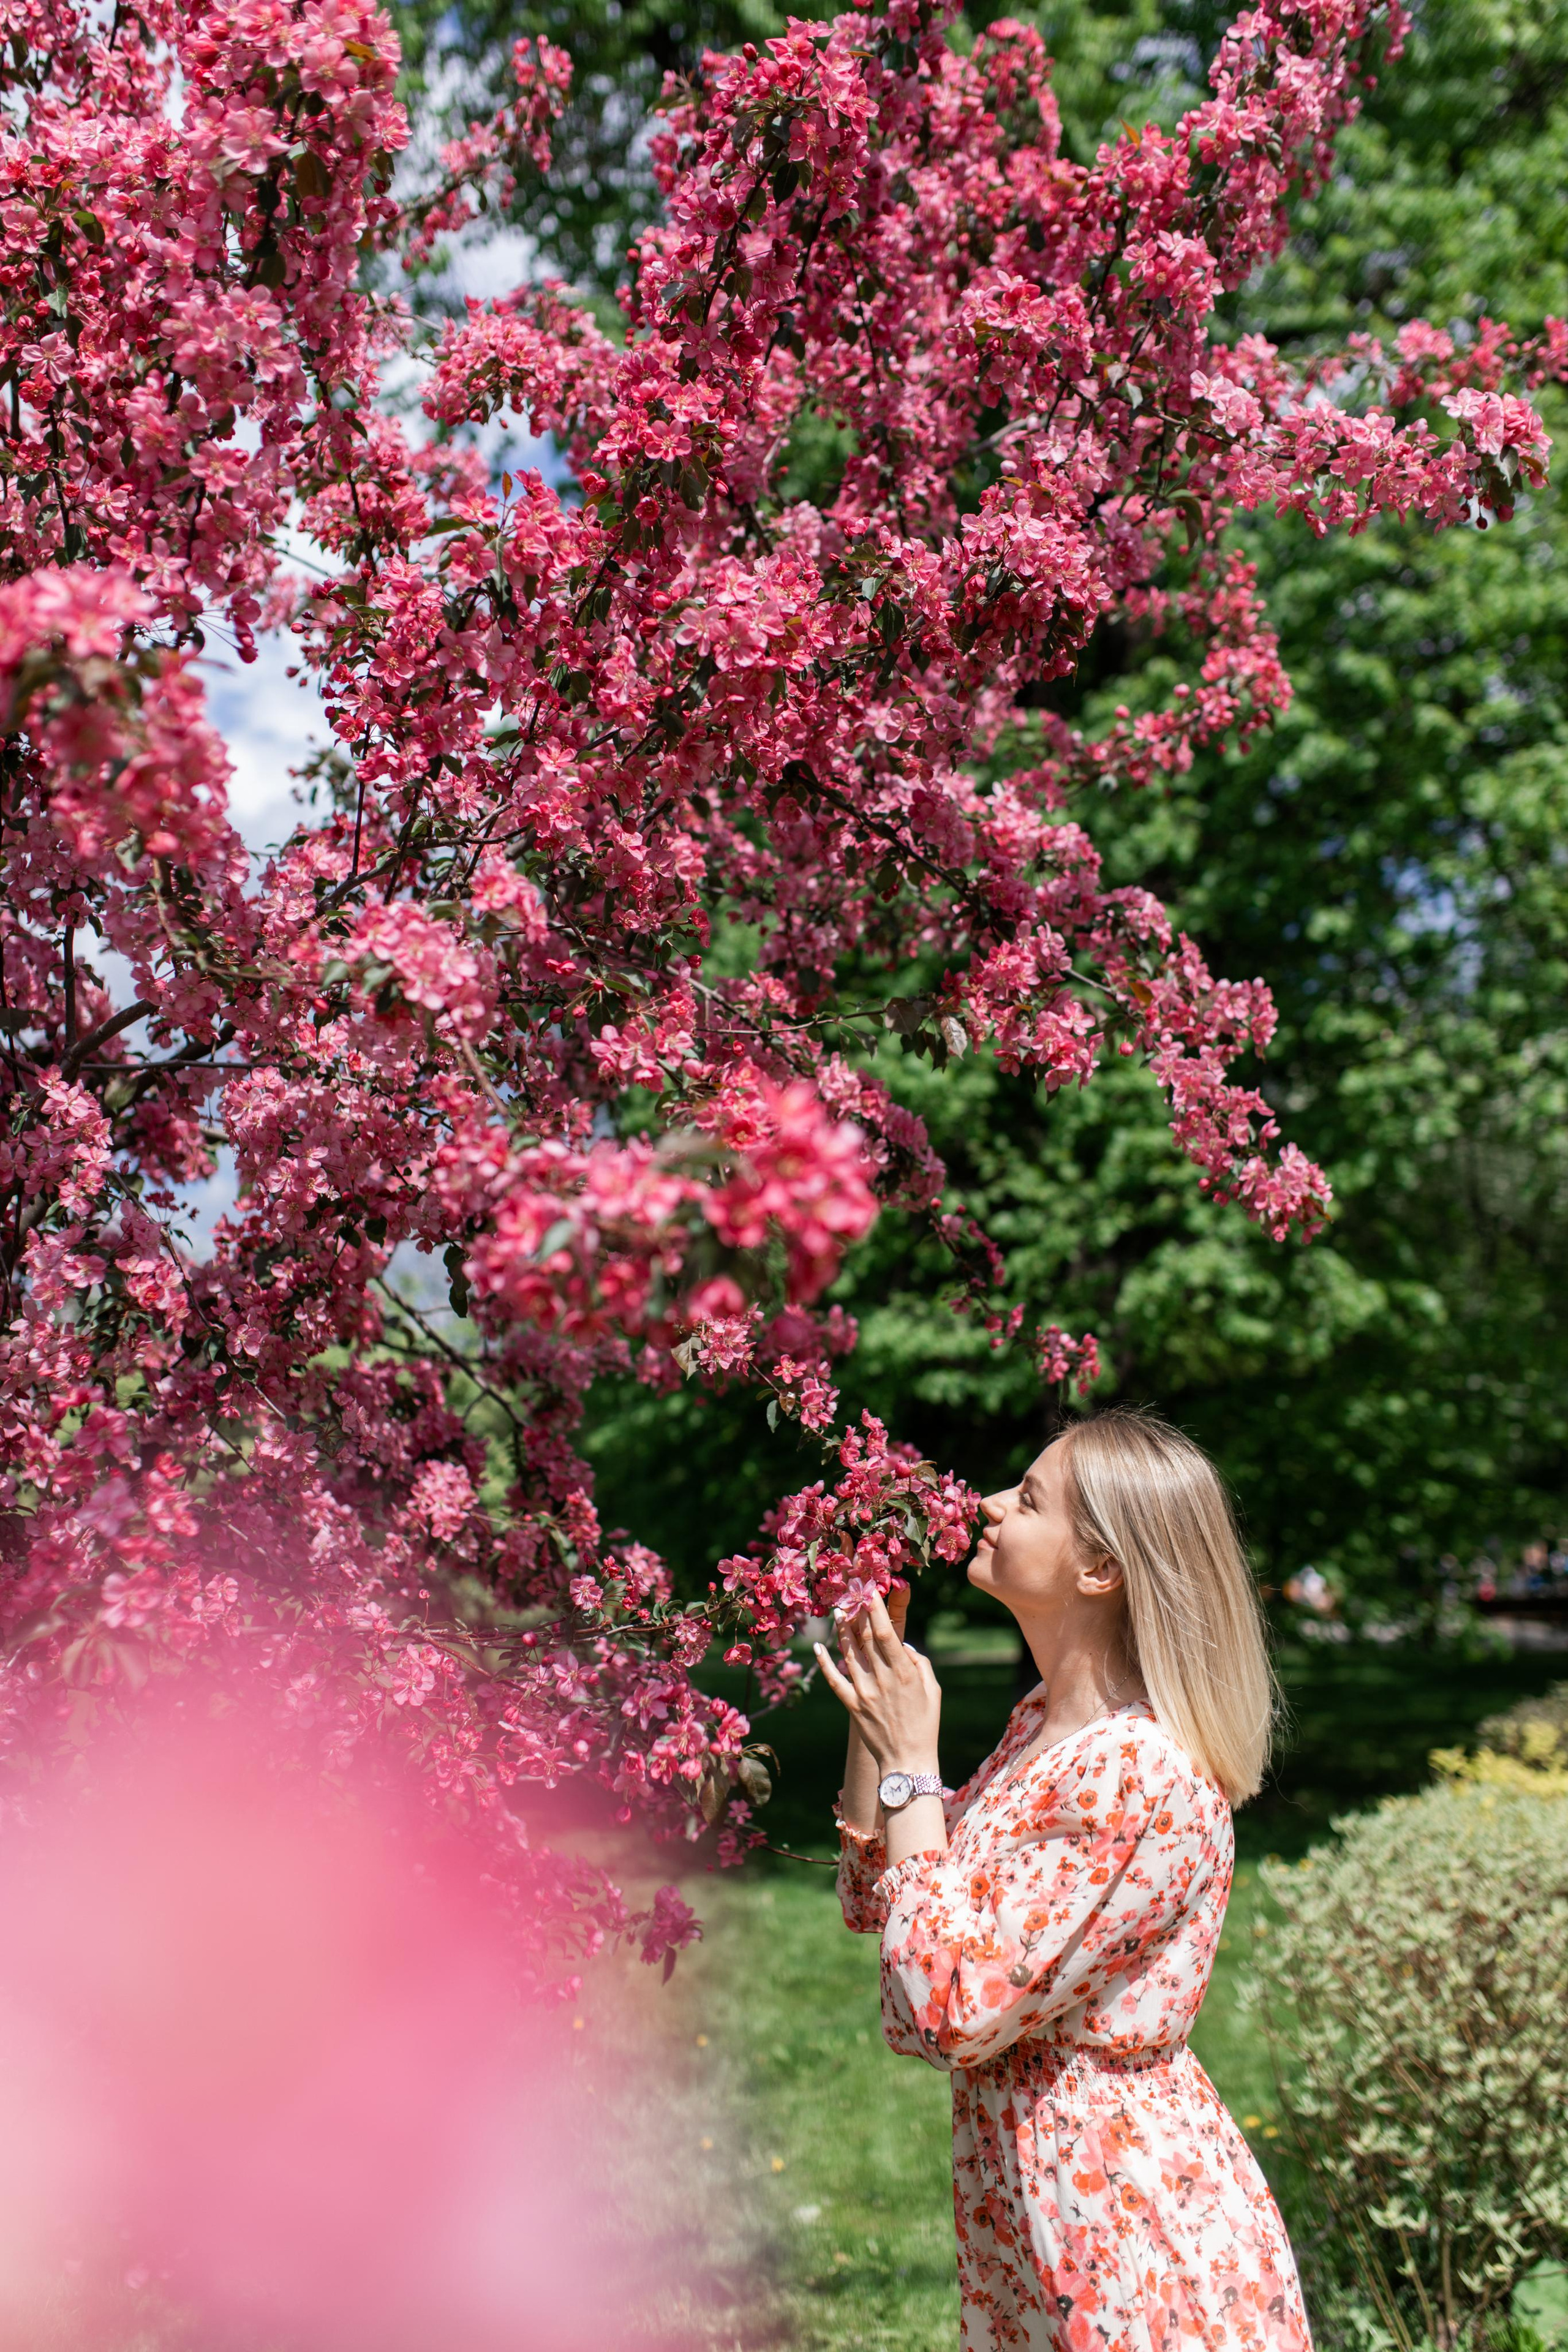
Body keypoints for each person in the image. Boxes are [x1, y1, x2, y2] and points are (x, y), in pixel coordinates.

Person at [816, 1408, 1310, 2352]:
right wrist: (876, 1710)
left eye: (1029, 1499)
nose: (990, 1505)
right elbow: (881, 1901)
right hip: (1040, 2211)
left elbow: (948, 2001)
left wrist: (915, 1758)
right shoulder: (1046, 1730)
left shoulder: (1137, 1772)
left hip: (1126, 2236)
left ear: (1099, 1570)